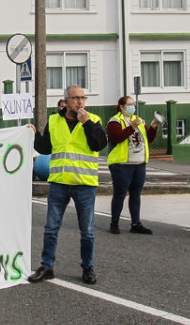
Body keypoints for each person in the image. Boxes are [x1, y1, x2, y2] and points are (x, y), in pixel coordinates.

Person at [28, 85, 107, 285]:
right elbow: (45, 148)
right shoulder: (54, 120)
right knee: (51, 228)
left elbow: (99, 144)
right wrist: (34, 134)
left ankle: (88, 268)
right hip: (59, 182)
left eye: (83, 98)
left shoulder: (94, 120)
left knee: (87, 231)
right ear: (66, 101)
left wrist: (87, 123)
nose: (80, 102)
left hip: (84, 183)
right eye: (75, 98)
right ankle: (47, 267)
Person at [106, 96, 159, 235]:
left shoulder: (139, 120)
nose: (132, 107)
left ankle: (136, 223)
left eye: (133, 104)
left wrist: (153, 127)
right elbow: (116, 137)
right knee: (120, 194)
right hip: (122, 164)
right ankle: (114, 223)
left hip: (139, 163)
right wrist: (132, 127)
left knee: (136, 194)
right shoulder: (115, 121)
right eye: (129, 104)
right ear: (122, 107)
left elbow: (149, 138)